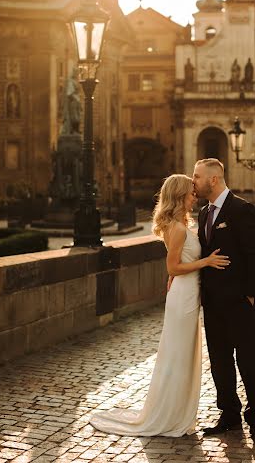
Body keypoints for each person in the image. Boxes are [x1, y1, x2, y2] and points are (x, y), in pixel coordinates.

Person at [90, 174, 229, 437]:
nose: (194, 196)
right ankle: (169, 415)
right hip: (183, 297)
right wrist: (205, 262)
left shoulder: (179, 223)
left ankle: (176, 411)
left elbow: (176, 265)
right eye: (190, 193)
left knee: (181, 355)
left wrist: (182, 272)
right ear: (179, 196)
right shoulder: (176, 228)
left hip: (187, 292)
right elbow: (172, 266)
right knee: (178, 356)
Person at [193, 158, 255, 446]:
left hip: (240, 301)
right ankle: (229, 415)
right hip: (212, 303)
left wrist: (250, 294)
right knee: (220, 361)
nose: (194, 181)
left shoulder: (241, 209)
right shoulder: (203, 214)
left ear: (213, 179)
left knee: (248, 361)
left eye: (197, 176)